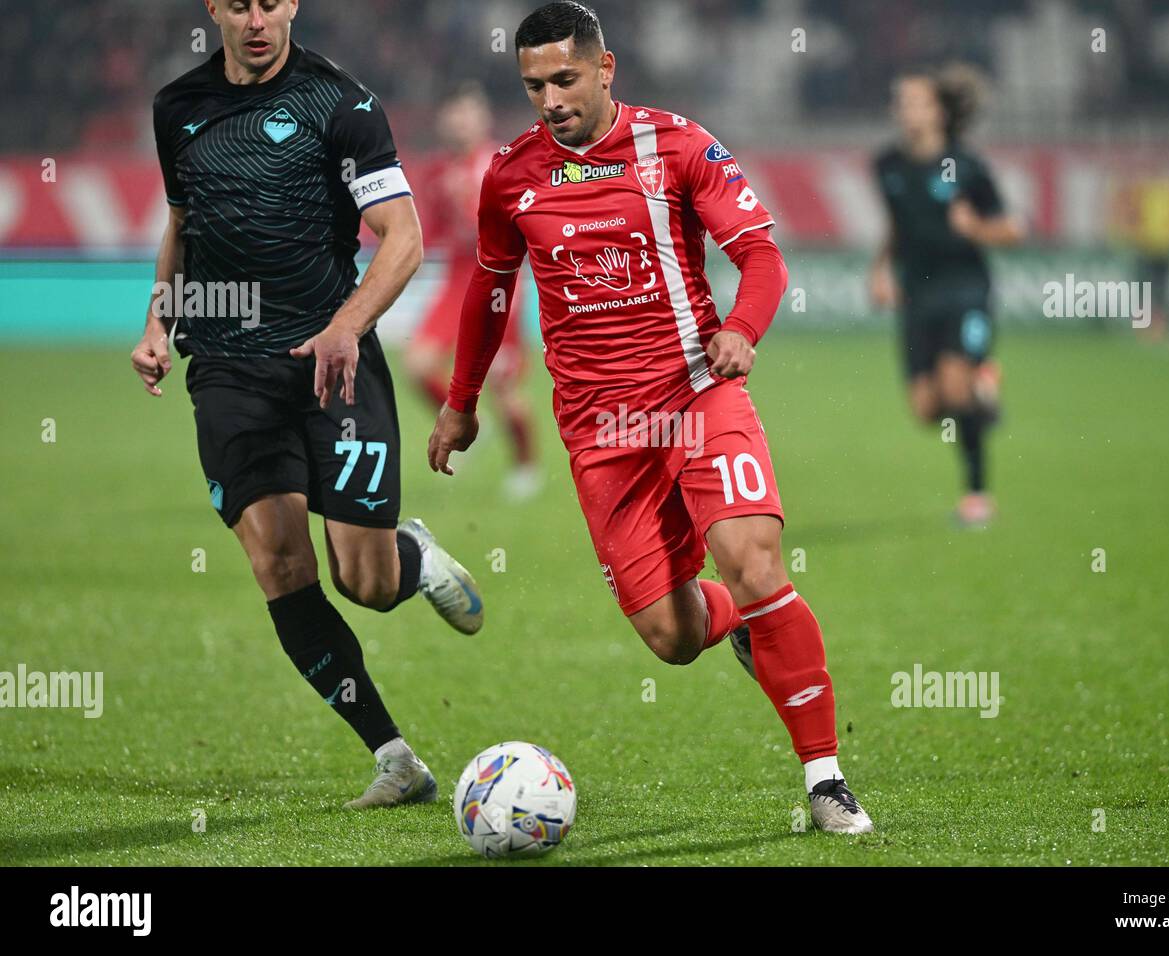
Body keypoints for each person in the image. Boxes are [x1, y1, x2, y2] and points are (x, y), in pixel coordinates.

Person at [428, 1, 872, 833]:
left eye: (565, 78)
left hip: (697, 394)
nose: (551, 98)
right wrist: (461, 402)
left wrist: (741, 330)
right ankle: (745, 623)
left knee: (752, 558)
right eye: (533, 85)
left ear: (605, 68)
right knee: (671, 637)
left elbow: (761, 256)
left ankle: (824, 778)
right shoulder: (510, 175)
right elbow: (489, 292)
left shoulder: (678, 146)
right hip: (602, 433)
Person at [131, 0, 484, 809]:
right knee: (280, 564)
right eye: (240, 2)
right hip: (225, 366)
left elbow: (401, 239)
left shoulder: (342, 103)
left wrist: (344, 328)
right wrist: (158, 322)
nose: (257, 18)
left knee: (362, 579)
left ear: (292, 4)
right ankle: (395, 757)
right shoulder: (176, 108)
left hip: (334, 364)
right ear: (214, 7)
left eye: (272, 0)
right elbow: (182, 226)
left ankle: (413, 556)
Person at [869, 65, 1023, 527]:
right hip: (918, 294)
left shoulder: (969, 166)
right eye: (901, 102)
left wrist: (975, 227)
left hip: (965, 290)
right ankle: (984, 391)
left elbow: (1012, 229)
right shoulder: (887, 165)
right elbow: (897, 223)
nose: (906, 110)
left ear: (938, 111)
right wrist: (880, 270)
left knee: (955, 387)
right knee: (926, 409)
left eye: (916, 101)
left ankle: (977, 495)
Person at [406, 82, 541, 501]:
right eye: (453, 114)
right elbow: (438, 231)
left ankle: (526, 465)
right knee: (417, 364)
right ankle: (466, 423)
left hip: (498, 278)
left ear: (481, 117)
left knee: (503, 385)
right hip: (457, 278)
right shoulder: (439, 172)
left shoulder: (504, 163)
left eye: (466, 113)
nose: (459, 121)